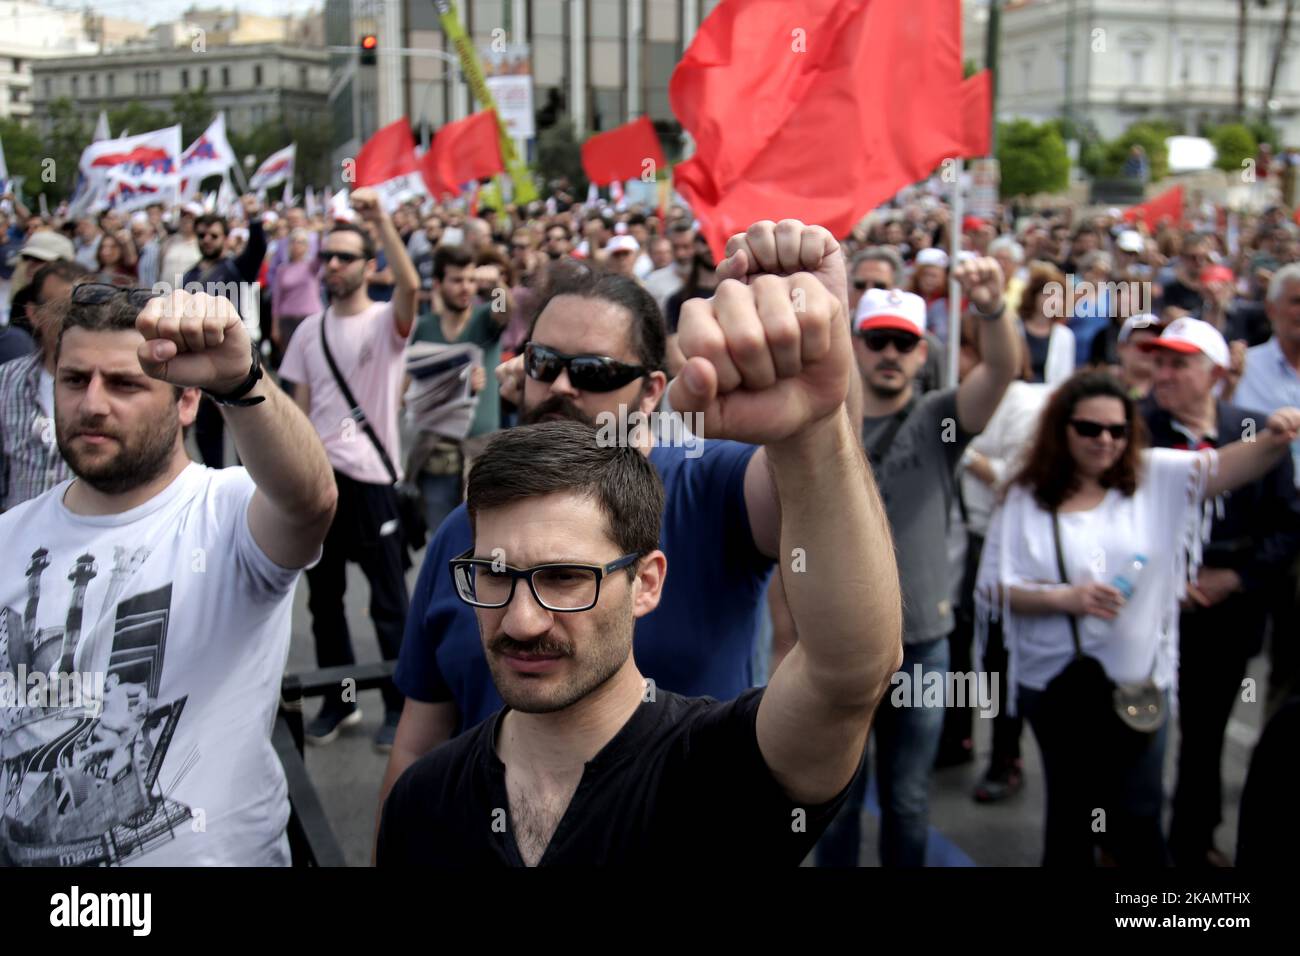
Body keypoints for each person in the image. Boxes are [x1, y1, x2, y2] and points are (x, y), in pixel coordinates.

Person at [377, 252, 902, 865]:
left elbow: (847, 657)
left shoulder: (712, 486)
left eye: (593, 371)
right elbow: (418, 737)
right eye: (544, 363)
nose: (561, 387)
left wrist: (812, 425)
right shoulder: (461, 533)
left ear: (647, 579)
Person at [0, 285, 336, 865]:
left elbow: (310, 501)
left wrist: (241, 381)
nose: (92, 404)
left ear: (187, 402)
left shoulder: (228, 510)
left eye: (124, 384)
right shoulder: (10, 536)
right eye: (75, 379)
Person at [977, 370, 1300, 866]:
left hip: (1138, 690)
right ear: (1061, 430)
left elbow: (1230, 465)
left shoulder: (1154, 477)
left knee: (1138, 817)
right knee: (1070, 816)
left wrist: (1277, 435)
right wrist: (1066, 599)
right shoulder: (1025, 494)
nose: (1105, 440)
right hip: (1055, 685)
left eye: (1118, 430)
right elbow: (994, 588)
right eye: (1089, 428)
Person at [815, 262, 1021, 868]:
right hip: (837, 643)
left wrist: (992, 308)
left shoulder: (940, 420)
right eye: (877, 338)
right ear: (855, 343)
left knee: (906, 801)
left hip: (923, 643)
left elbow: (1002, 370)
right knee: (834, 802)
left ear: (922, 352)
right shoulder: (823, 420)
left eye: (904, 342)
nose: (889, 353)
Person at [1138, 317, 1300, 867]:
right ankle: (1124, 842)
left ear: (1214, 374)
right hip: (1148, 613)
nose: (1163, 374)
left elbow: (1288, 524)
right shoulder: (1130, 429)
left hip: (1227, 612)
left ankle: (1192, 841)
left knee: (1205, 736)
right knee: (1136, 731)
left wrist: (1237, 578)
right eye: (1159, 362)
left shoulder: (1254, 431)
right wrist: (1163, 580)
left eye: (1179, 364)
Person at [278, 188, 420, 751]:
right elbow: (296, 413)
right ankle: (340, 701)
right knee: (324, 602)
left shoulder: (386, 322)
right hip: (321, 484)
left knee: (389, 604)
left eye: (344, 256)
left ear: (368, 264)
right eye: (327, 256)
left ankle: (400, 707)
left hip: (373, 483)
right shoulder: (308, 331)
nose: (333, 264)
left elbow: (411, 287)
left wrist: (381, 220)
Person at [408, 244, 512, 531]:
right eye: (456, 280)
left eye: (470, 280)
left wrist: (497, 285)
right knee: (442, 537)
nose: (465, 288)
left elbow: (504, 311)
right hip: (436, 452)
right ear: (438, 284)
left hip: (480, 451)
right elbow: (411, 387)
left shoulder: (483, 319)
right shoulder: (425, 327)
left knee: (482, 540)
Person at [1236, 262, 1300, 718]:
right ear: (1273, 309)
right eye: (1296, 301)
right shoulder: (1242, 368)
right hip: (1257, 527)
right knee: (1239, 651)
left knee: (1294, 657)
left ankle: (1277, 748)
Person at [183, 197, 268, 468]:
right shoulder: (189, 275)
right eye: (202, 235)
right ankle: (216, 481)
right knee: (207, 431)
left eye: (214, 235)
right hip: (202, 364)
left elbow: (258, 247)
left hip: (235, 362)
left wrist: (254, 218)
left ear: (226, 238)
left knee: (246, 429)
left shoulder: (236, 268)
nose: (207, 240)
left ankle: (250, 483)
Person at [0, 260, 91, 512]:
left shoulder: (115, 386)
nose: (74, 319)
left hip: (89, 531)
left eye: (85, 308)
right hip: (17, 530)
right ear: (34, 314)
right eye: (62, 309)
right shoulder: (7, 380)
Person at [270, 227, 322, 363]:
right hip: (287, 320)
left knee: (312, 359)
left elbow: (322, 254)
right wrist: (275, 327)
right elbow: (276, 299)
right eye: (294, 241)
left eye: (301, 242)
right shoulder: (282, 269)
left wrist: (321, 235)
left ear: (307, 246)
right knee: (290, 361)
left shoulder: (311, 266)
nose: (297, 245)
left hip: (309, 318)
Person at [1018, 263, 1076, 386]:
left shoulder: (1065, 336)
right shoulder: (1015, 328)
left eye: (1059, 296)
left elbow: (1064, 378)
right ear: (1034, 296)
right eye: (1048, 294)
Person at [644, 221, 693, 312]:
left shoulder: (712, 279)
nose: (680, 254)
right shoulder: (654, 280)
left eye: (686, 246)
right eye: (675, 247)